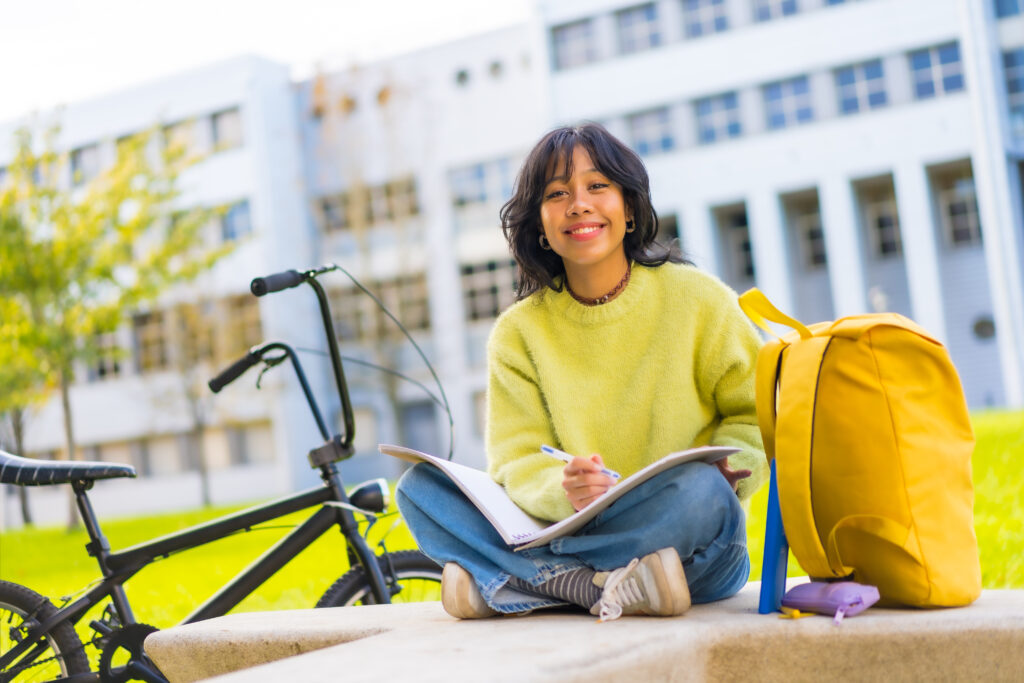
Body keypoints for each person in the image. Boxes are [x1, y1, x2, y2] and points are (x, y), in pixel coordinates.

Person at [396, 122, 766, 621]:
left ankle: (521, 580)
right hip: (571, 525)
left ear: (629, 208)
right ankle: (590, 586)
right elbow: (517, 459)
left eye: (597, 186)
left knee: (701, 492)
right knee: (421, 490)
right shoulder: (518, 332)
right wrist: (563, 488)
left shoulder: (701, 300)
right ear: (540, 225)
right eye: (556, 193)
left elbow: (758, 413)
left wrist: (733, 468)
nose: (578, 204)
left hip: (690, 546)